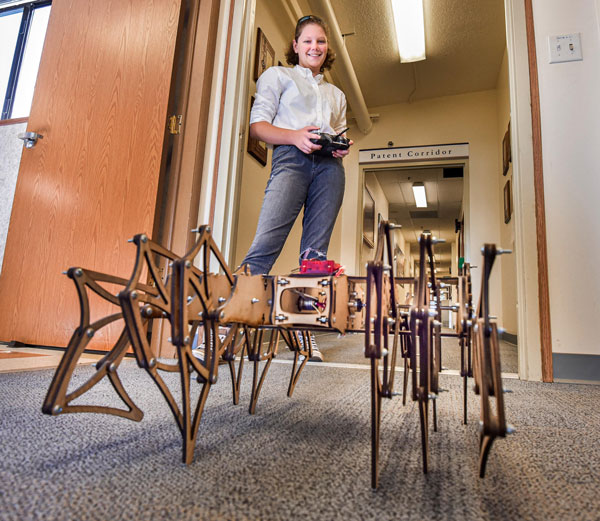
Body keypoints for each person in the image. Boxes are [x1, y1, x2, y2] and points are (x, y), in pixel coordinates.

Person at [241, 15, 353, 362]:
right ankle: (222, 326)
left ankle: (303, 328)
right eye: (307, 41)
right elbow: (257, 127)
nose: (314, 47)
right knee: (265, 244)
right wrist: (295, 137)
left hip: (330, 169)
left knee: (314, 257)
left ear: (327, 48)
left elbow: (341, 131)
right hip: (291, 159)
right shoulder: (278, 76)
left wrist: (341, 146)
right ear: (295, 45)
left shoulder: (337, 95)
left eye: (320, 41)